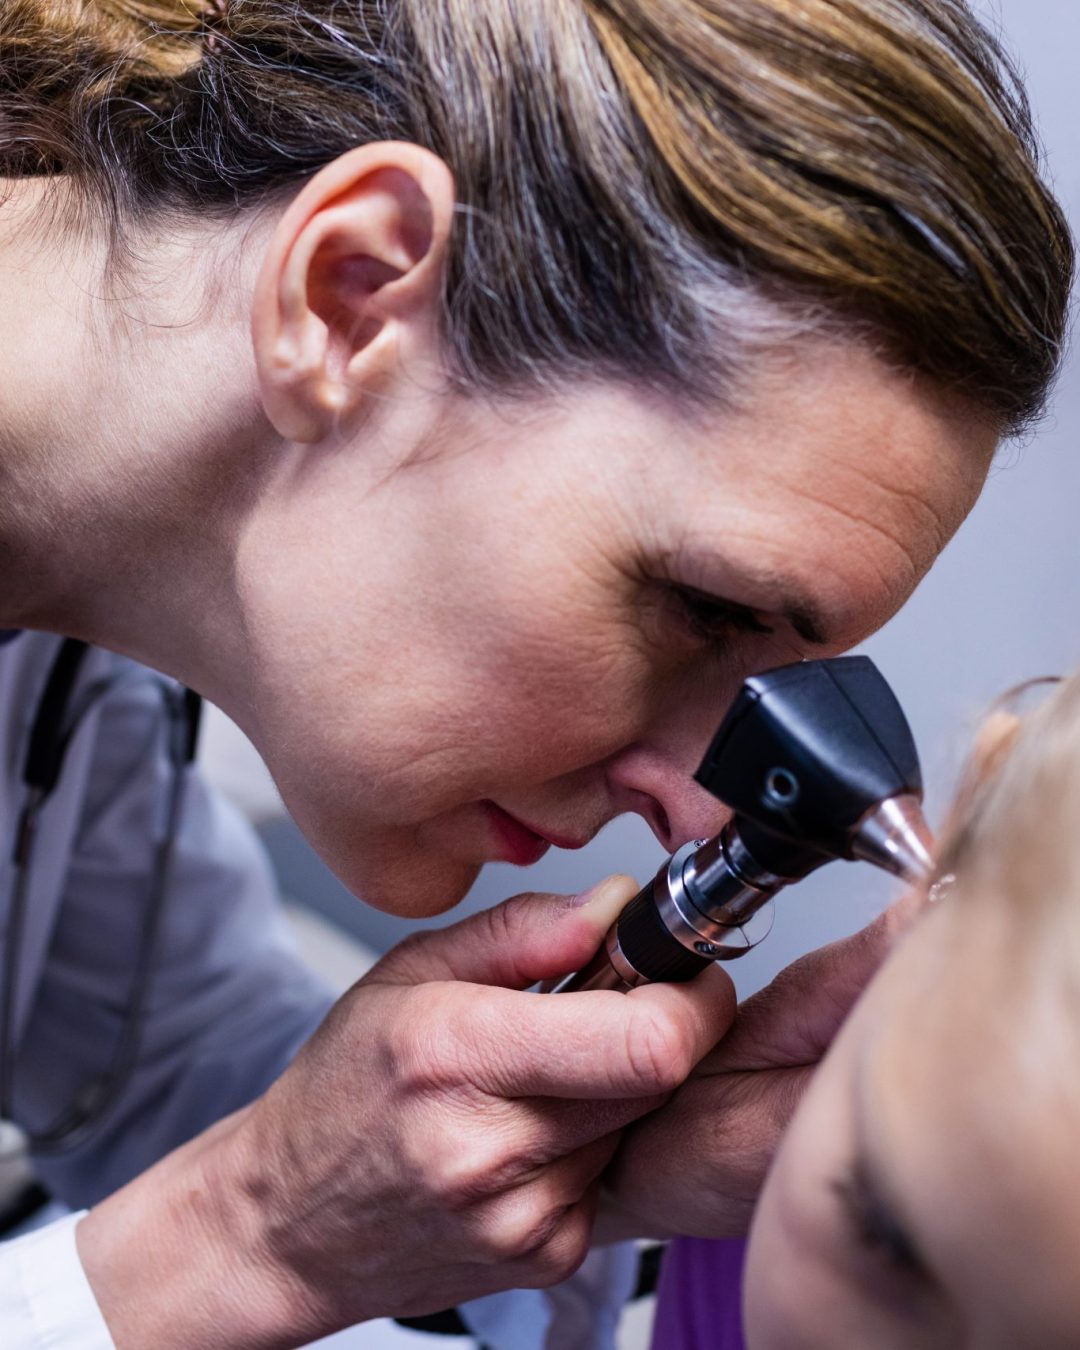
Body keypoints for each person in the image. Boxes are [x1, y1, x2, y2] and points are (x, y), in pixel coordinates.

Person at [0, 0, 1071, 1347]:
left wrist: (605, 1168)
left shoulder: (80, 647)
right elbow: (241, 1193)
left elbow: (155, 1069)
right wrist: (247, 1229)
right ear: (350, 298)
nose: (703, 807)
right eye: (704, 608)